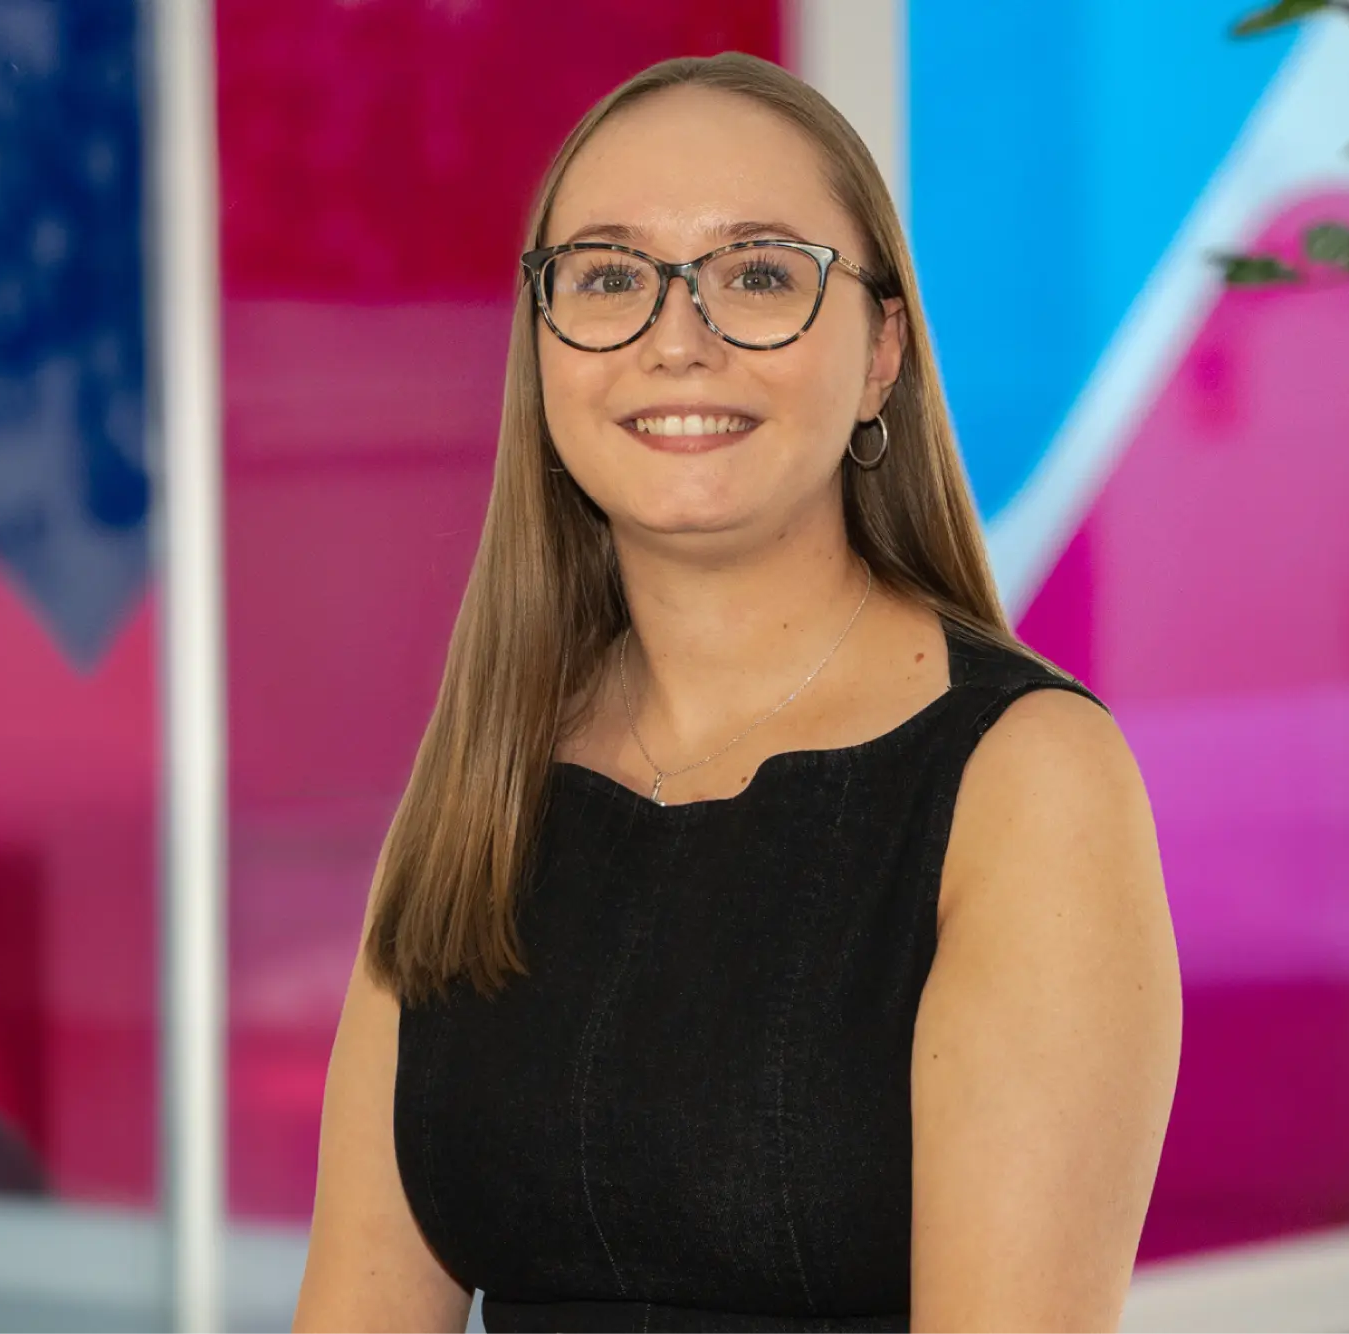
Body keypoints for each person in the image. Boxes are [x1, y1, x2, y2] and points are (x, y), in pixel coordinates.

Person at [292, 51, 1181, 1334]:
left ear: (881, 350)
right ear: (544, 348)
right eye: (606, 276)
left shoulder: (1025, 780)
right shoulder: (486, 774)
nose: (675, 338)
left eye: (757, 273)